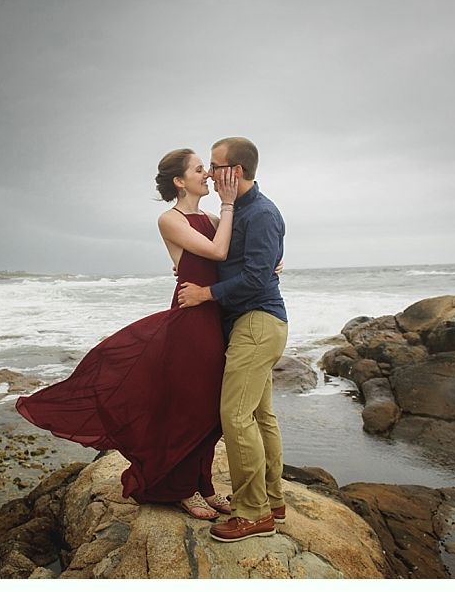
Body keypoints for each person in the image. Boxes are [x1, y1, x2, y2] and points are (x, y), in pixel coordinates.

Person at [15, 148, 239, 520]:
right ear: (180, 181)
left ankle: (203, 485)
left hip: (214, 314)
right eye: (200, 169)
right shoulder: (170, 219)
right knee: (190, 404)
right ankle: (180, 489)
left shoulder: (212, 217)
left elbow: (234, 253)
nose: (208, 175)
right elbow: (217, 252)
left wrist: (268, 261)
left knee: (211, 407)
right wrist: (230, 205)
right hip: (190, 319)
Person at [177, 136, 289, 543]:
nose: (208, 171)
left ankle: (252, 513)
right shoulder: (237, 210)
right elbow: (251, 262)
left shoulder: (260, 213)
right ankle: (272, 500)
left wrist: (206, 295)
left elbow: (259, 277)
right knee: (260, 416)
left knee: (236, 417)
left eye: (214, 164)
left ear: (234, 171)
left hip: (257, 324)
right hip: (252, 323)